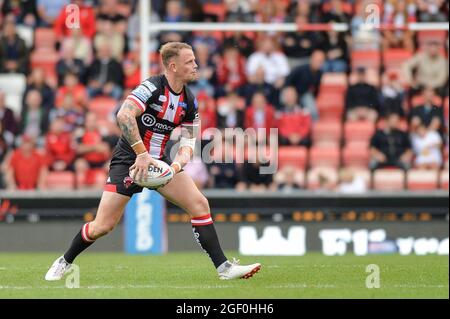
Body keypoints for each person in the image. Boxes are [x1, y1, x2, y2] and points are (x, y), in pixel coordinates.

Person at [45, 42, 261, 281]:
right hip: (129, 161)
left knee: (199, 203)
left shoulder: (190, 100)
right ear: (173, 66)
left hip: (159, 163)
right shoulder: (151, 87)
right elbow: (124, 115)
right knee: (103, 226)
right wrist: (141, 153)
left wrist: (173, 168)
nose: (195, 65)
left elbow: (189, 143)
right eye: (189, 61)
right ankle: (64, 261)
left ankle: (224, 268)